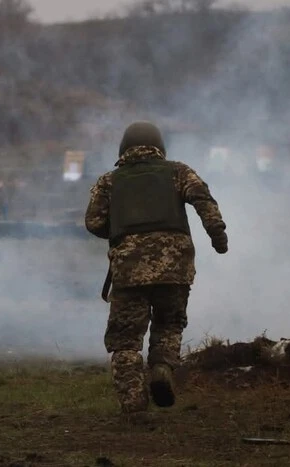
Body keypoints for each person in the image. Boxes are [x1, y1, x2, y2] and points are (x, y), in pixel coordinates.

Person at [85, 121, 228, 414]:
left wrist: (123, 236)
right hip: (175, 265)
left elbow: (94, 222)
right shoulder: (178, 171)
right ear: (159, 147)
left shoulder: (109, 181)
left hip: (129, 269)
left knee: (125, 338)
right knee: (169, 323)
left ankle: (134, 404)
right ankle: (162, 367)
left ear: (124, 148)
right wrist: (217, 234)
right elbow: (203, 199)